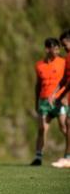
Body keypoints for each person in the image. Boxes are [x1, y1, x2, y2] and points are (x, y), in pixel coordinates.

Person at [30, 38, 66, 166]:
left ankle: (68, 156)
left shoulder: (63, 62)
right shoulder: (39, 65)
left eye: (58, 48)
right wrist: (36, 102)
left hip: (60, 101)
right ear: (47, 49)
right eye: (55, 48)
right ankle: (38, 157)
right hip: (44, 101)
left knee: (64, 127)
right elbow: (38, 85)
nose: (57, 50)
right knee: (42, 129)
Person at [50, 30, 70, 168]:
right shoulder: (68, 58)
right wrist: (55, 93)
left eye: (65, 44)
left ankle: (67, 157)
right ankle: (67, 157)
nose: (64, 48)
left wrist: (62, 96)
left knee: (68, 124)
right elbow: (65, 79)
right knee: (68, 124)